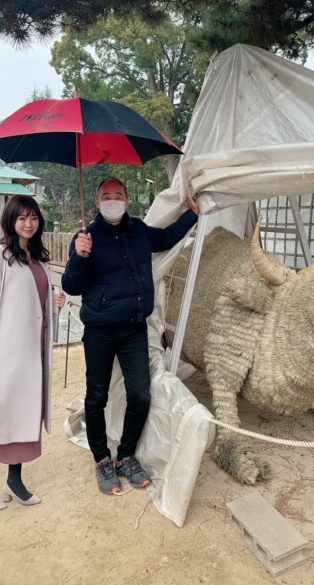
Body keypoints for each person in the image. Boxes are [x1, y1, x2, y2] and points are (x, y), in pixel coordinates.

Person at [62, 177, 199, 495]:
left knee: (140, 395)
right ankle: (101, 460)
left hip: (134, 328)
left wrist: (193, 213)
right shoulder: (86, 237)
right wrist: (80, 257)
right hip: (99, 330)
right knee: (97, 397)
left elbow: (166, 237)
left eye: (118, 195)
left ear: (127, 200)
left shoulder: (138, 229)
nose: (113, 200)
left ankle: (125, 456)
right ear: (97, 203)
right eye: (106, 195)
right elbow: (72, 286)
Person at [0, 195, 66, 511]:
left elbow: (36, 300)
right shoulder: (0, 256)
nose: (28, 223)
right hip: (9, 353)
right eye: (22, 218)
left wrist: (55, 301)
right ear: (11, 220)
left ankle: (15, 480)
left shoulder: (37, 258)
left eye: (34, 218)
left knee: (25, 417)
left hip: (34, 353)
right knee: (2, 418)